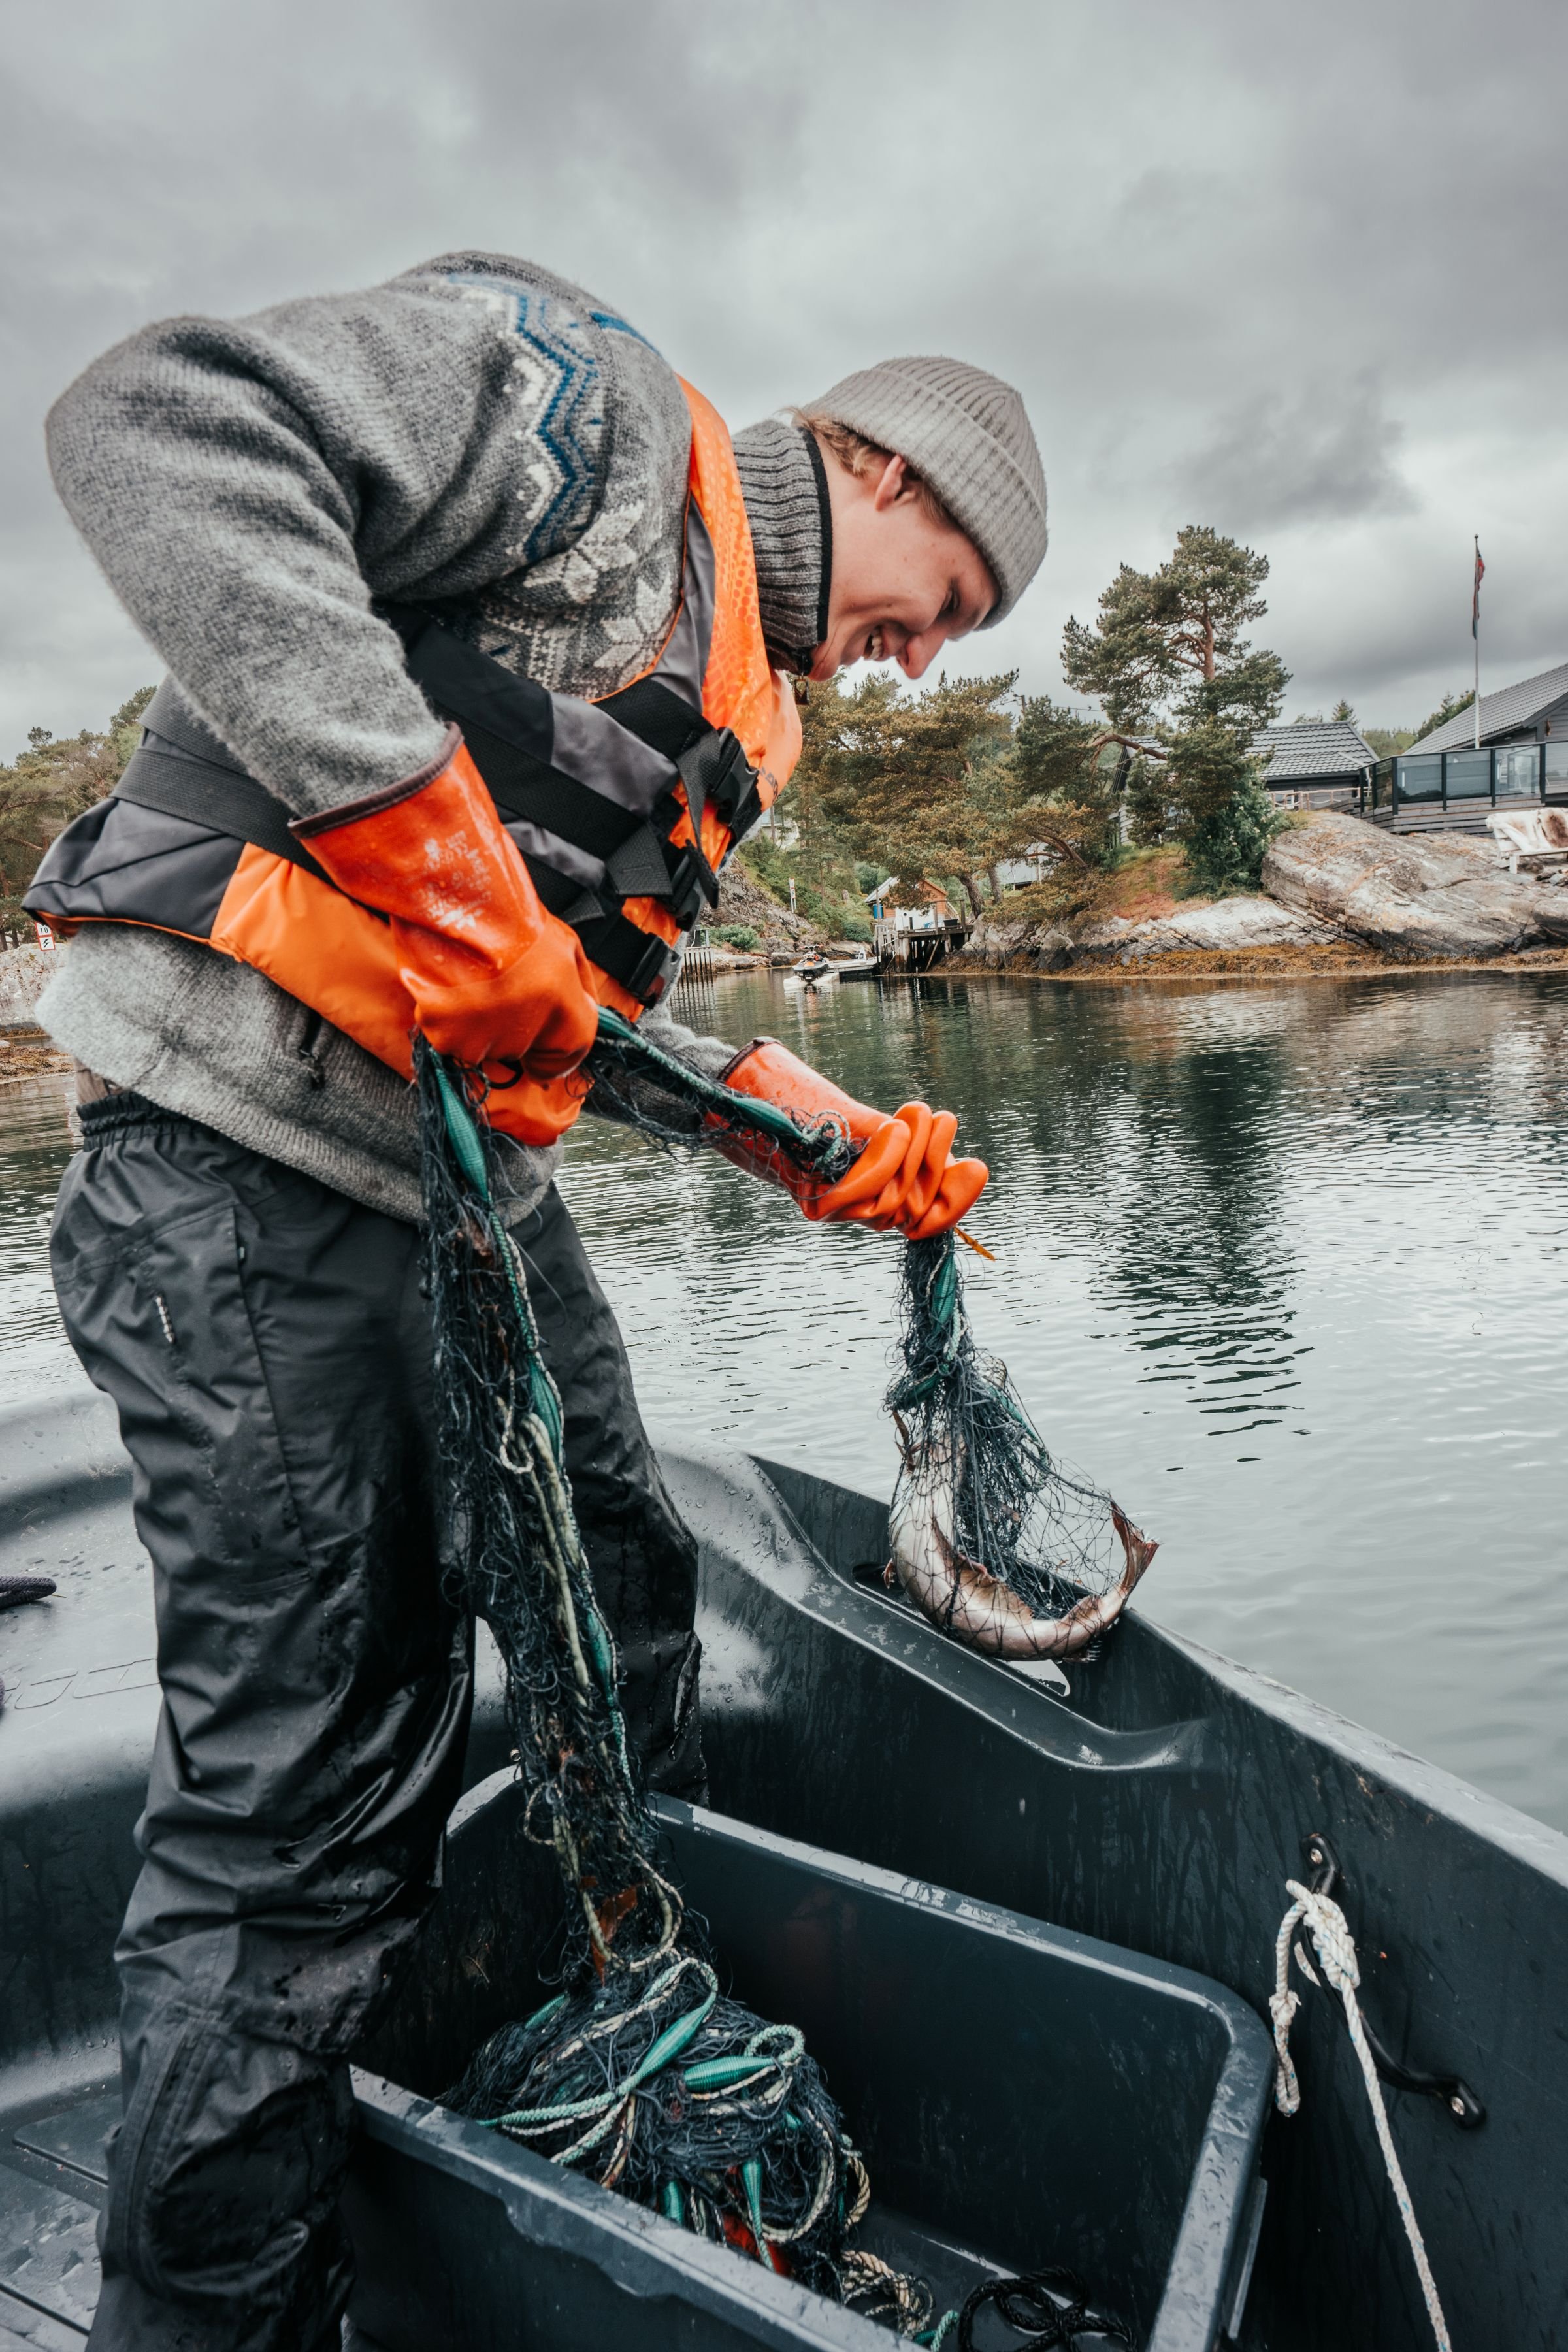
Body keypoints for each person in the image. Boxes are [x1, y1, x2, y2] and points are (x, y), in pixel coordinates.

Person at [28, 250, 1048, 2351]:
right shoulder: (566, 407)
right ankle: (209, 2314)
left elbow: (563, 1010)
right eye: (942, 605)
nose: (921, 663)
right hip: (230, 1171)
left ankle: (616, 2033)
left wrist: (818, 1137)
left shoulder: (729, 702)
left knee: (623, 1575)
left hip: (458, 1200)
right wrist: (414, 841)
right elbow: (152, 420)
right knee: (302, 1797)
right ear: (873, 463)